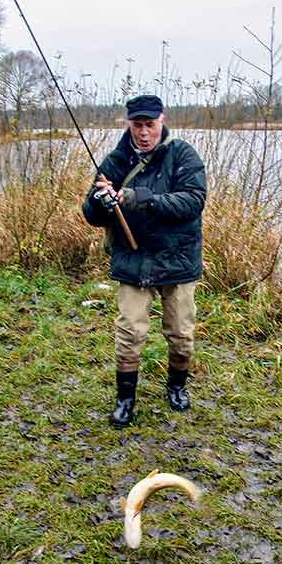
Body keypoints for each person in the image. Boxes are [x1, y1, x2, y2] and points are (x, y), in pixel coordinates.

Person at [82, 94, 207, 428]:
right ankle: (125, 401)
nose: (143, 132)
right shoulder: (116, 160)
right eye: (137, 125)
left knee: (181, 333)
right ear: (130, 125)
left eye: (149, 125)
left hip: (178, 260)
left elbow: (193, 202)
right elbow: (90, 214)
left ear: (161, 121)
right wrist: (100, 202)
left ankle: (177, 388)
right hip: (133, 261)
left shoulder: (183, 155)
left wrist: (142, 198)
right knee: (129, 333)